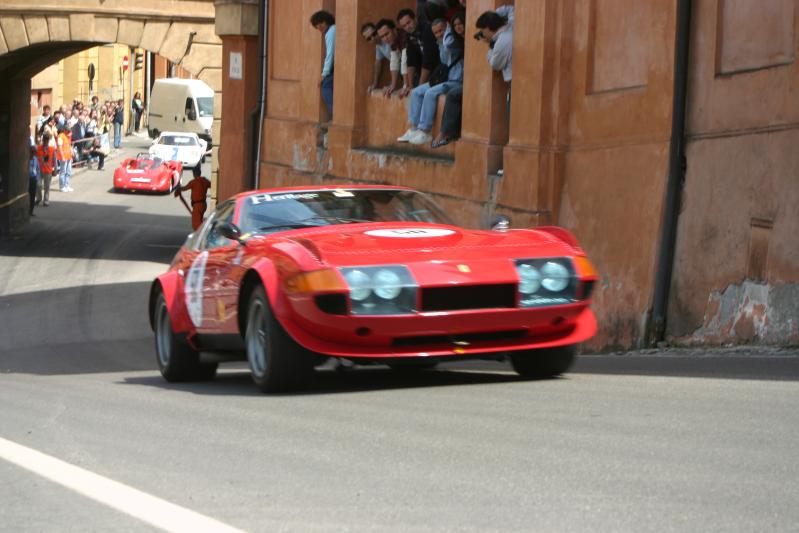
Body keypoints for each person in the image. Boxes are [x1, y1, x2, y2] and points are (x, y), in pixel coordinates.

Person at [398, 17, 463, 145]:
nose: (439, 34)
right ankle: (414, 128)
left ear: (448, 28)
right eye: (436, 33)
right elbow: (444, 60)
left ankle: (425, 130)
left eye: (441, 31)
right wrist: (440, 40)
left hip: (456, 80)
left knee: (430, 93)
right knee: (416, 92)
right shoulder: (440, 42)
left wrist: (448, 31)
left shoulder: (453, 39)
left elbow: (449, 45)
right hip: (445, 78)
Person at [432, 11, 466, 148]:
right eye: (455, 25)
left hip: (467, 81)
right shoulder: (456, 40)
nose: (458, 27)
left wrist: (449, 29)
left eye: (460, 24)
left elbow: (447, 44)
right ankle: (446, 133)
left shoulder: (459, 40)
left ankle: (445, 133)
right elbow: (445, 56)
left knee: (452, 95)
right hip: (463, 80)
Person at [397, 8, 440, 88]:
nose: (407, 27)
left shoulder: (427, 29)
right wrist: (410, 86)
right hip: (428, 72)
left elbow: (428, 59)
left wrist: (420, 86)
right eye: (404, 26)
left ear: (415, 19)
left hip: (440, 69)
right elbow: (411, 60)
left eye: (408, 22)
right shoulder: (409, 35)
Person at [376, 19, 411, 98]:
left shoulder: (404, 36)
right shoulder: (393, 43)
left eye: (387, 34)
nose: (385, 39)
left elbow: (404, 61)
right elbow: (394, 63)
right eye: (382, 37)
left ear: (394, 30)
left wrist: (405, 85)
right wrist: (392, 85)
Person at [311, 10, 336, 117]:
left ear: (327, 21)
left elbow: (330, 53)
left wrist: (324, 74)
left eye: (321, 23)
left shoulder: (331, 32)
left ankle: (335, 114)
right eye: (317, 25)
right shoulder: (332, 30)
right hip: (335, 66)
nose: (319, 27)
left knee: (325, 86)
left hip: (334, 67)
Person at [178, 165, 212, 230]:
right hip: (203, 205)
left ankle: (199, 237)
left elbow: (184, 188)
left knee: (196, 225)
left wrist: (178, 189)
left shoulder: (194, 182)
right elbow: (212, 185)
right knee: (200, 221)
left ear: (194, 173)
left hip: (197, 206)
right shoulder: (204, 180)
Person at [362, 22, 393, 93]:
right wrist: (375, 84)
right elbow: (378, 64)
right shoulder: (378, 46)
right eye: (369, 38)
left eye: (374, 34)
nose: (373, 38)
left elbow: (397, 61)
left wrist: (392, 84)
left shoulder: (388, 39)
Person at [37, 133, 56, 207]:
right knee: (38, 185)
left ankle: (46, 200)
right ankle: (39, 198)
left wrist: (55, 169)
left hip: (48, 170)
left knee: (47, 186)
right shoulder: (38, 148)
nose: (45, 142)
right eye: (44, 140)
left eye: (47, 140)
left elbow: (54, 159)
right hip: (39, 170)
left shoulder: (52, 149)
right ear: (43, 140)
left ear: (48, 140)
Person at [57, 127, 73, 192]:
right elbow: (59, 146)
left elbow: (69, 145)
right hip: (63, 157)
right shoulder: (61, 136)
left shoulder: (67, 136)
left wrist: (71, 153)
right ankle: (62, 186)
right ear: (65, 130)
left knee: (68, 171)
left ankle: (67, 185)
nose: (69, 132)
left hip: (68, 156)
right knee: (63, 172)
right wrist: (62, 156)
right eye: (68, 131)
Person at [28, 146, 41, 217]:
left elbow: (38, 169)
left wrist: (37, 178)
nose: (33, 154)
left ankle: (31, 211)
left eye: (34, 152)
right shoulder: (26, 159)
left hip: (33, 178)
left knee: (32, 196)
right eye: (32, 152)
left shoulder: (35, 159)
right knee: (27, 195)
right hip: (27, 178)